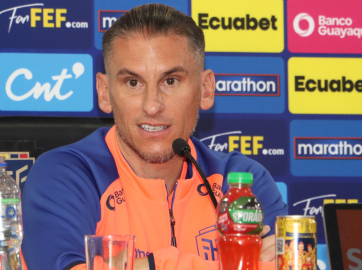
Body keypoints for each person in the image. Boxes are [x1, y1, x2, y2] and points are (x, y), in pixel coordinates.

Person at [21, 3, 287, 270]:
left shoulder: (240, 183)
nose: (152, 105)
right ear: (104, 92)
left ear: (205, 90)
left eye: (170, 81)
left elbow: (290, 264)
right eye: (133, 83)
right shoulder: (68, 176)